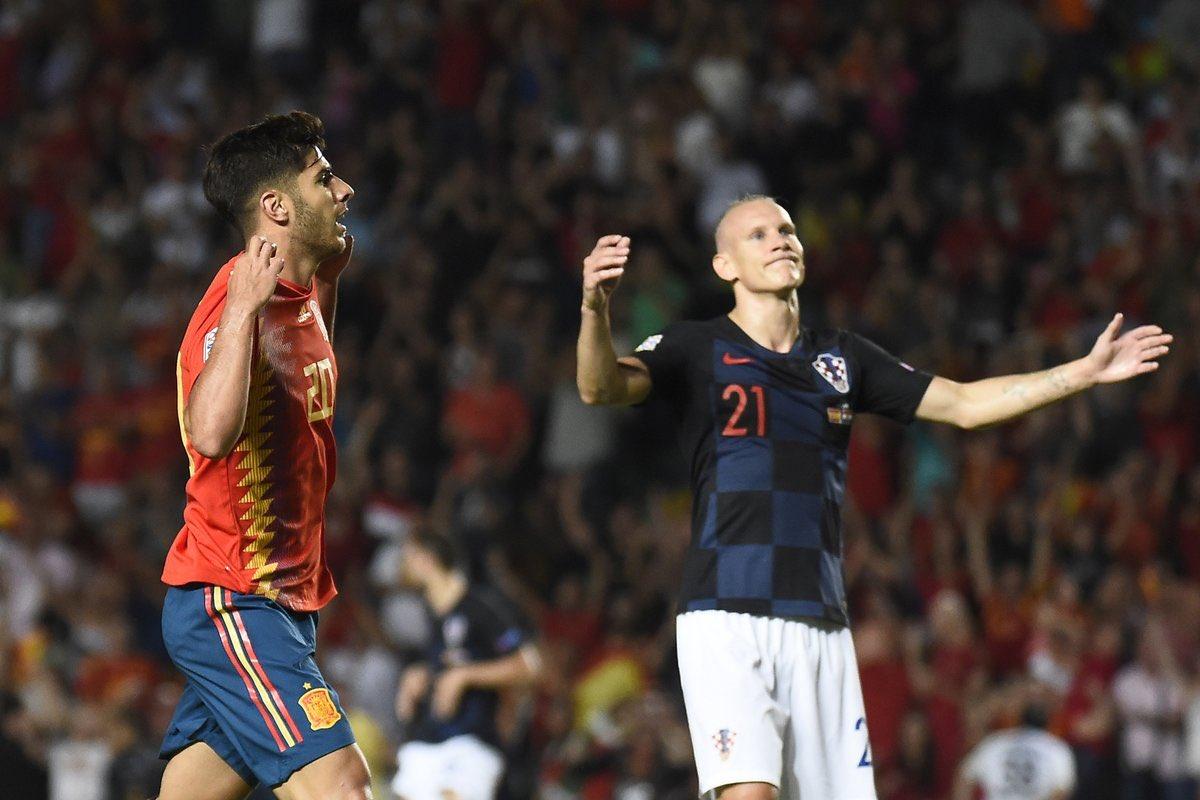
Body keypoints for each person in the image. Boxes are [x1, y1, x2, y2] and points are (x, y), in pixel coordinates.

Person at [575, 195, 1172, 800]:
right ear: (724, 266)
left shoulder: (842, 357)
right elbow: (601, 388)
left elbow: (965, 405)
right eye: (757, 235)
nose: (779, 239)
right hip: (726, 611)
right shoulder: (696, 346)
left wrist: (1082, 372)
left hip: (820, 622)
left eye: (786, 229)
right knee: (749, 792)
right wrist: (594, 309)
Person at [156, 111, 372, 800]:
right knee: (343, 785)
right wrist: (241, 311)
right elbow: (209, 434)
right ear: (276, 207)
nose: (344, 191)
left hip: (281, 601)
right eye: (323, 178)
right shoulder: (236, 303)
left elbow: (297, 387)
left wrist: (327, 285)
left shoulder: (299, 293)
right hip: (235, 597)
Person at [391, 527, 542, 800]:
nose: (401, 566)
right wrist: (419, 674)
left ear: (428, 559)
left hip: (473, 740)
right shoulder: (431, 614)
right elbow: (449, 659)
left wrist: (464, 676)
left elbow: (528, 666)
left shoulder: (480, 605)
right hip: (429, 739)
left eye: (408, 556)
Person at [953, 704, 1076, 800]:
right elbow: (1062, 791)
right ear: (1049, 723)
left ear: (1019, 719)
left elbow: (964, 778)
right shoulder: (1056, 748)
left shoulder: (996, 741)